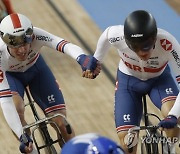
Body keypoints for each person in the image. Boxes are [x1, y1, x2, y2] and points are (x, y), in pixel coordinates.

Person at [0, 13, 100, 153]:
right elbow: (5, 102)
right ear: (6, 42)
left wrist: (81, 58)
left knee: (62, 124)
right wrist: (21, 135)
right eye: (16, 46)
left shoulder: (36, 34)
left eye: (25, 43)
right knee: (17, 108)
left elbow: (62, 44)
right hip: (11, 77)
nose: (22, 50)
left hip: (37, 71)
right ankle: (31, 148)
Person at [83, 10, 180, 154]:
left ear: (154, 39)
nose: (141, 53)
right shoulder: (118, 35)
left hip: (159, 81)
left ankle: (170, 150)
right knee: (127, 142)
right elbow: (106, 35)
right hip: (128, 83)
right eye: (134, 47)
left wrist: (173, 116)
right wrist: (97, 59)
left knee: (175, 119)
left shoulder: (168, 43)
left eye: (145, 46)